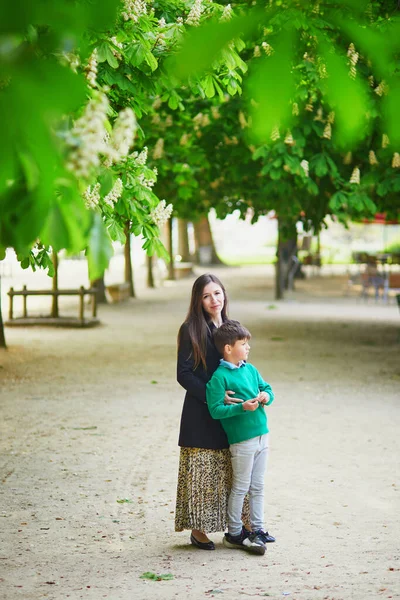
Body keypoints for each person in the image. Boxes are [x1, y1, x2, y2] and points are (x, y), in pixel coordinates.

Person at [175, 273, 249, 550]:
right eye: (206, 296)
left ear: (224, 294)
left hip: (232, 412)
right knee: (202, 472)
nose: (213, 300)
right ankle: (198, 530)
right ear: (198, 300)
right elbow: (183, 374)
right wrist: (213, 396)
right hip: (201, 411)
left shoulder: (231, 326)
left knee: (233, 470)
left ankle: (238, 527)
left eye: (217, 293)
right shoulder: (190, 329)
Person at [206, 320, 275, 555]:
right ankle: (234, 532)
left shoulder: (251, 369)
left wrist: (265, 395)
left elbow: (269, 388)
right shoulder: (219, 378)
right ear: (228, 348)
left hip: (262, 436)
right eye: (243, 344)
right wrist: (241, 408)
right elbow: (215, 410)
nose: (248, 348)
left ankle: (258, 529)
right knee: (241, 487)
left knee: (259, 485)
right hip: (242, 441)